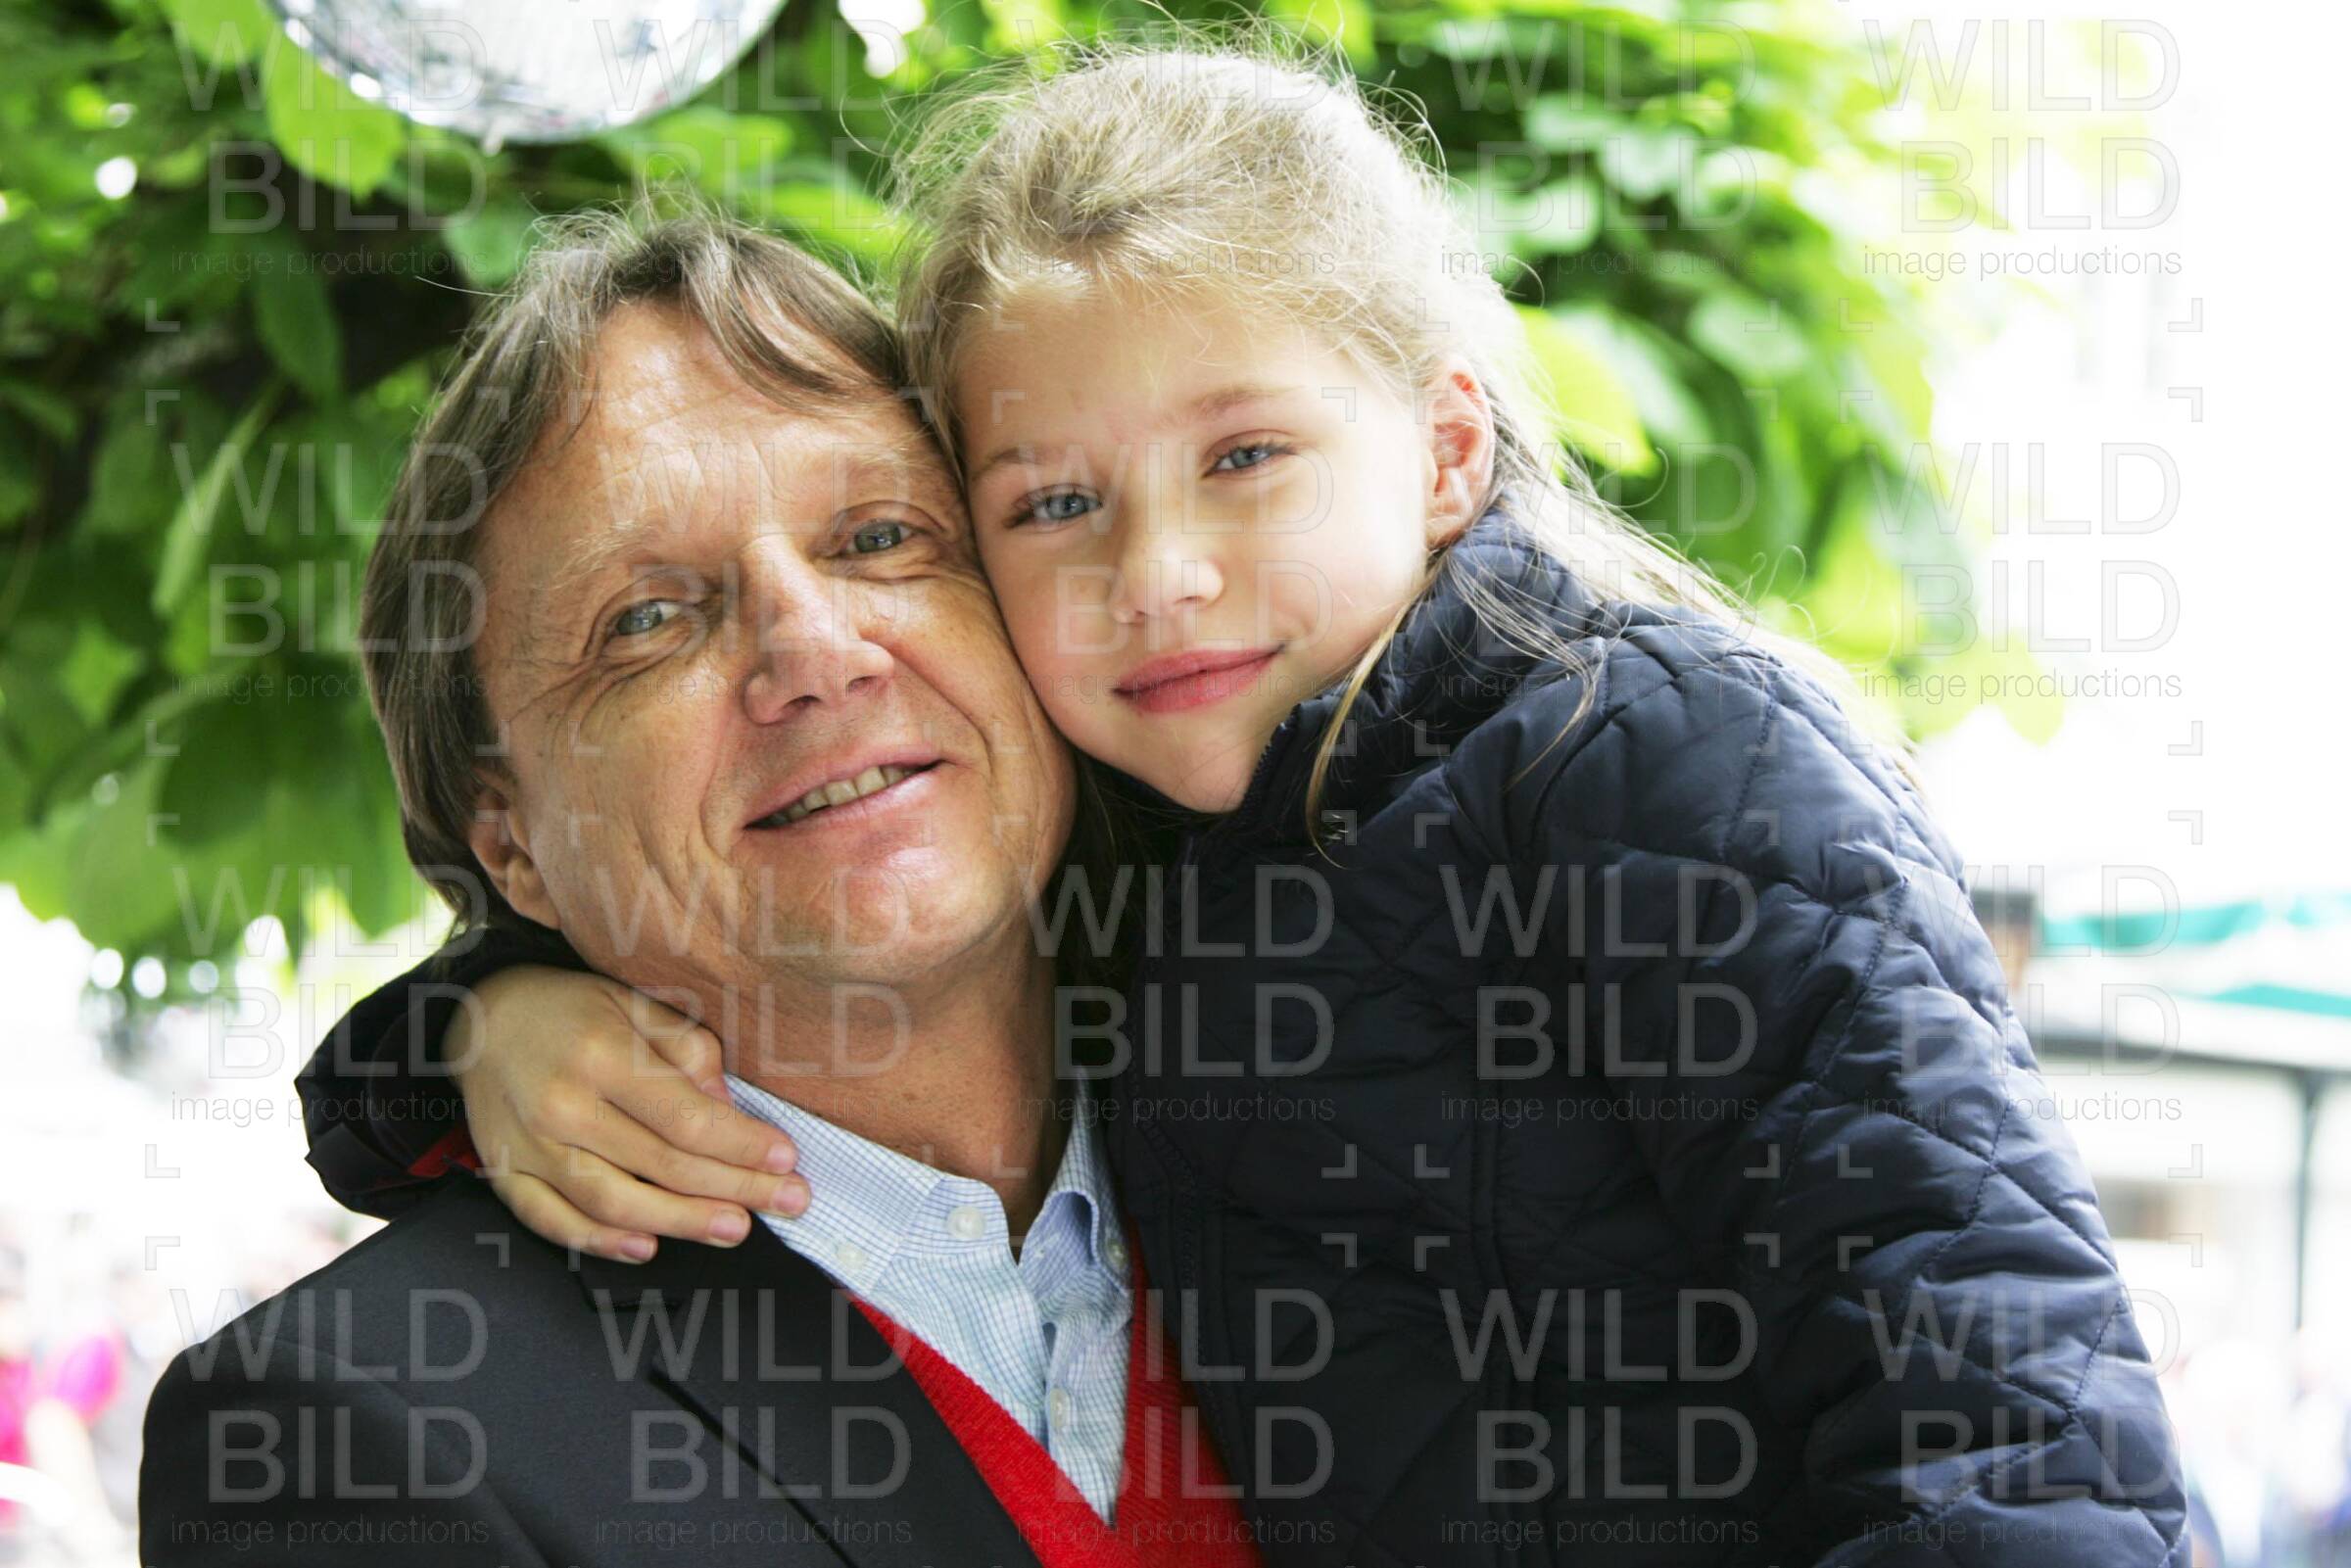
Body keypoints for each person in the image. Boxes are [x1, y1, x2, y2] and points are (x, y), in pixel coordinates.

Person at [290, 39, 2189, 1566]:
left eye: (1249, 457)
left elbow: (2010, 1405)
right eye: (1051, 503)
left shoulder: (1660, 762)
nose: (1162, 575)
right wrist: (479, 1015)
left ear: (1447, 447)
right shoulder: (1173, 866)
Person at [140, 210, 1261, 1567]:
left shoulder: (1338, 1134)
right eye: (647, 620)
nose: (817, 650)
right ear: (510, 841)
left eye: (879, 536)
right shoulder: (354, 1439)